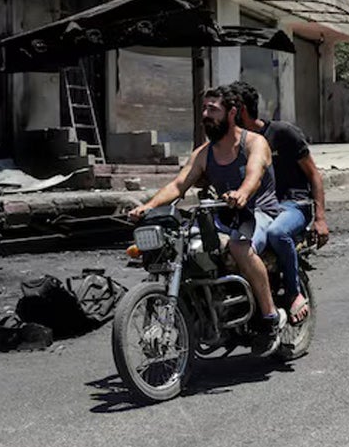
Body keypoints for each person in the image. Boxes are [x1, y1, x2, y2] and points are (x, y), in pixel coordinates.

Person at [129, 85, 288, 353]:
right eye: (204, 109)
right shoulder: (204, 153)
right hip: (221, 215)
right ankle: (203, 313)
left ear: (232, 113)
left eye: (213, 109)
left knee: (238, 247)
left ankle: (271, 317)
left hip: (259, 212)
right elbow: (178, 185)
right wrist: (148, 206)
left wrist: (242, 193)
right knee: (182, 247)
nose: (206, 114)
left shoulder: (253, 143)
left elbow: (254, 175)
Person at [228, 80, 328, 325]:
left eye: (229, 109)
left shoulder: (283, 134)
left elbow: (314, 174)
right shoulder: (235, 143)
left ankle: (294, 293)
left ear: (240, 110)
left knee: (276, 232)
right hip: (260, 208)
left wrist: (321, 218)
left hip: (294, 204)